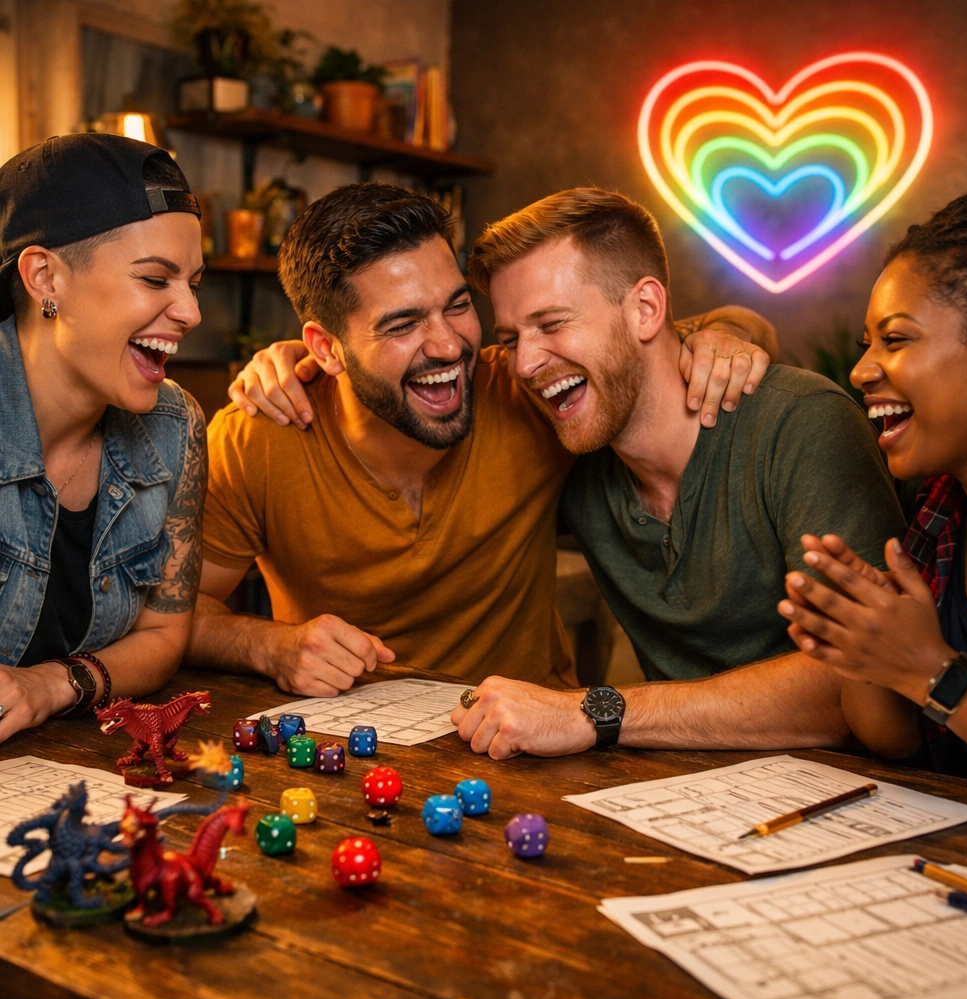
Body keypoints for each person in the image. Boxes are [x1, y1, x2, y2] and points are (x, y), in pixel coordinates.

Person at [185, 183, 772, 695]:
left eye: (458, 305)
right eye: (404, 323)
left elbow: (662, 340)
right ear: (324, 348)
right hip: (348, 754)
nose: (447, 345)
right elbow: (175, 619)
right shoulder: (259, 437)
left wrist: (728, 333)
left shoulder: (528, 388)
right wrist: (271, 647)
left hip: (534, 750)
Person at [449, 188, 906, 759]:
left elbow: (863, 683)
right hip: (675, 800)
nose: (524, 363)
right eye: (512, 339)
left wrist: (593, 711)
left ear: (645, 309)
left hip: (853, 801)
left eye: (552, 323)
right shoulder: (572, 449)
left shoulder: (801, 424)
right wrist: (306, 365)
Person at [778, 192, 967, 785]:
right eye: (867, 344)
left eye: (895, 339)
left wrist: (929, 668)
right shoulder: (942, 507)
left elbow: (931, 681)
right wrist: (862, 647)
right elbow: (895, 740)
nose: (862, 370)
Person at [0, 134, 207, 744]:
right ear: (45, 277)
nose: (191, 312)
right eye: (154, 279)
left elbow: (164, 636)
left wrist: (51, 685)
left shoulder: (177, 426)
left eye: (194, 282)